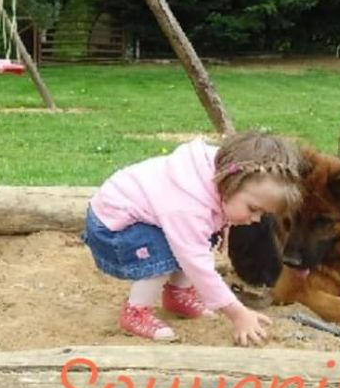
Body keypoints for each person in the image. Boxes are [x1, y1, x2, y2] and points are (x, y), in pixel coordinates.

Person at [82, 131, 301, 346]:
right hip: (112, 232)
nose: (255, 219)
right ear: (230, 183)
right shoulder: (188, 208)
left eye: (263, 214)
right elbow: (196, 263)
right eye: (253, 209)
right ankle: (136, 311)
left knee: (195, 241)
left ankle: (177, 295)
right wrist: (237, 313)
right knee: (169, 250)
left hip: (142, 219)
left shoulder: (225, 174)